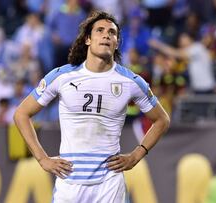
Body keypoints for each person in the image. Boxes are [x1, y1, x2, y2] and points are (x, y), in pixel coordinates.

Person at [13, 11, 170, 202]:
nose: (106, 35)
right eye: (100, 30)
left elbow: (162, 120)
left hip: (109, 183)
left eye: (112, 33)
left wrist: (136, 155)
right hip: (69, 183)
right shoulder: (62, 76)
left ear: (117, 43)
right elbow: (21, 114)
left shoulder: (131, 81)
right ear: (88, 39)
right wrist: (42, 158)